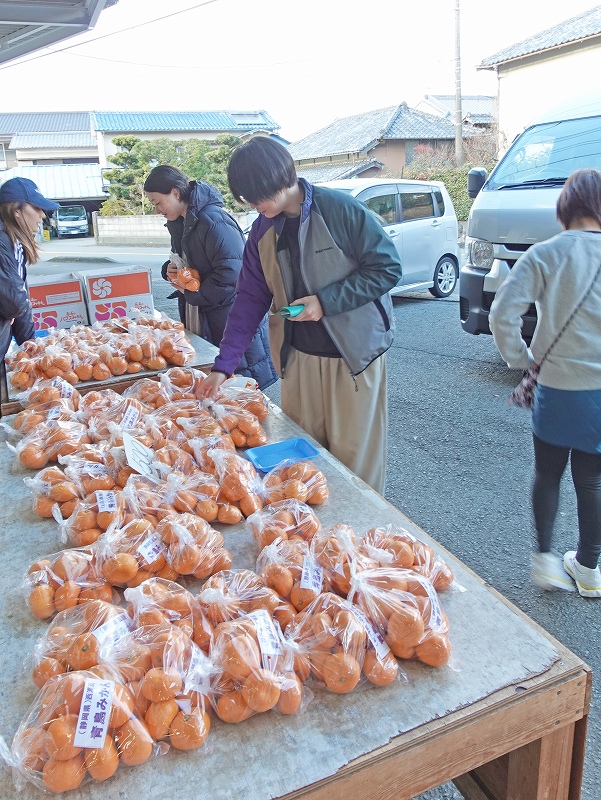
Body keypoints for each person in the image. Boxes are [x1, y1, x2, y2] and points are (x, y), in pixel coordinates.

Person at [197, 136, 402, 494]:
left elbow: (387, 268)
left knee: (356, 465)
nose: (252, 204)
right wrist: (223, 365)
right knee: (301, 466)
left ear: (279, 179)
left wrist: (325, 302)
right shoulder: (262, 229)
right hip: (299, 359)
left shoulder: (339, 210)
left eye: (255, 195)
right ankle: (308, 538)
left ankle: (362, 540)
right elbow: (249, 297)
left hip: (354, 359)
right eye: (246, 198)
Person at [490, 168, 601, 598]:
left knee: (548, 473)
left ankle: (546, 561)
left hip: (556, 385)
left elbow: (503, 312)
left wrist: (523, 357)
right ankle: (590, 567)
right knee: (591, 480)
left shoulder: (545, 254)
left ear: (565, 209)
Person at [143, 165, 277, 390]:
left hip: (228, 317)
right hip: (207, 314)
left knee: (241, 392)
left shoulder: (212, 220)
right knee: (222, 394)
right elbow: (186, 261)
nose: (157, 210)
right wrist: (170, 269)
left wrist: (194, 294)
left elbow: (233, 275)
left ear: (175, 193)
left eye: (157, 202)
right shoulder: (182, 222)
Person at [0, 177, 58, 364]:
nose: (42, 215)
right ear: (16, 210)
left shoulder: (15, 242)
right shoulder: (3, 242)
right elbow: (15, 303)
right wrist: (11, 311)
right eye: (37, 208)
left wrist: (31, 347)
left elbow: (18, 300)